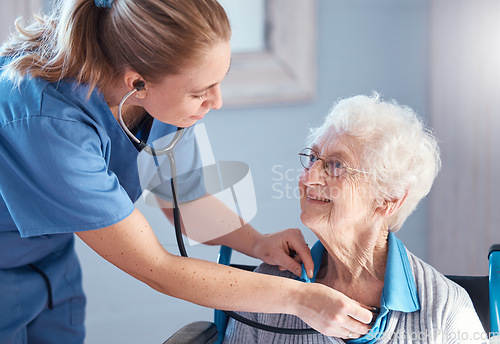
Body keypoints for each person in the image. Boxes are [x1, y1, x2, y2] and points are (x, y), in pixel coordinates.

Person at [0, 1, 375, 342]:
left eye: (219, 81)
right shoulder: (47, 127)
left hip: (49, 262)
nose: (216, 102)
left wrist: (256, 242)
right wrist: (302, 300)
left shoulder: (157, 98)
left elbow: (187, 201)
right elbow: (156, 268)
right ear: (137, 83)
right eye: (200, 92)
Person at [223, 93, 486, 343]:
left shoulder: (445, 312)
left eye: (336, 165)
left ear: (388, 199)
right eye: (313, 158)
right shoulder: (272, 284)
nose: (308, 178)